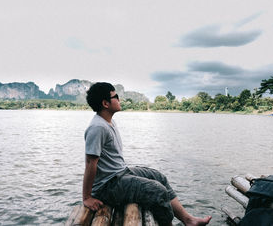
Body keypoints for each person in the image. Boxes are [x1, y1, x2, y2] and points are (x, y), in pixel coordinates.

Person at [82, 82, 212, 226]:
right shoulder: (97, 127)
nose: (119, 99)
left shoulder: (109, 122)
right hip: (108, 186)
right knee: (158, 191)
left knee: (159, 177)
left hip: (120, 173)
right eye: (116, 96)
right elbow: (90, 163)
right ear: (105, 103)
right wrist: (87, 197)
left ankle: (189, 220)